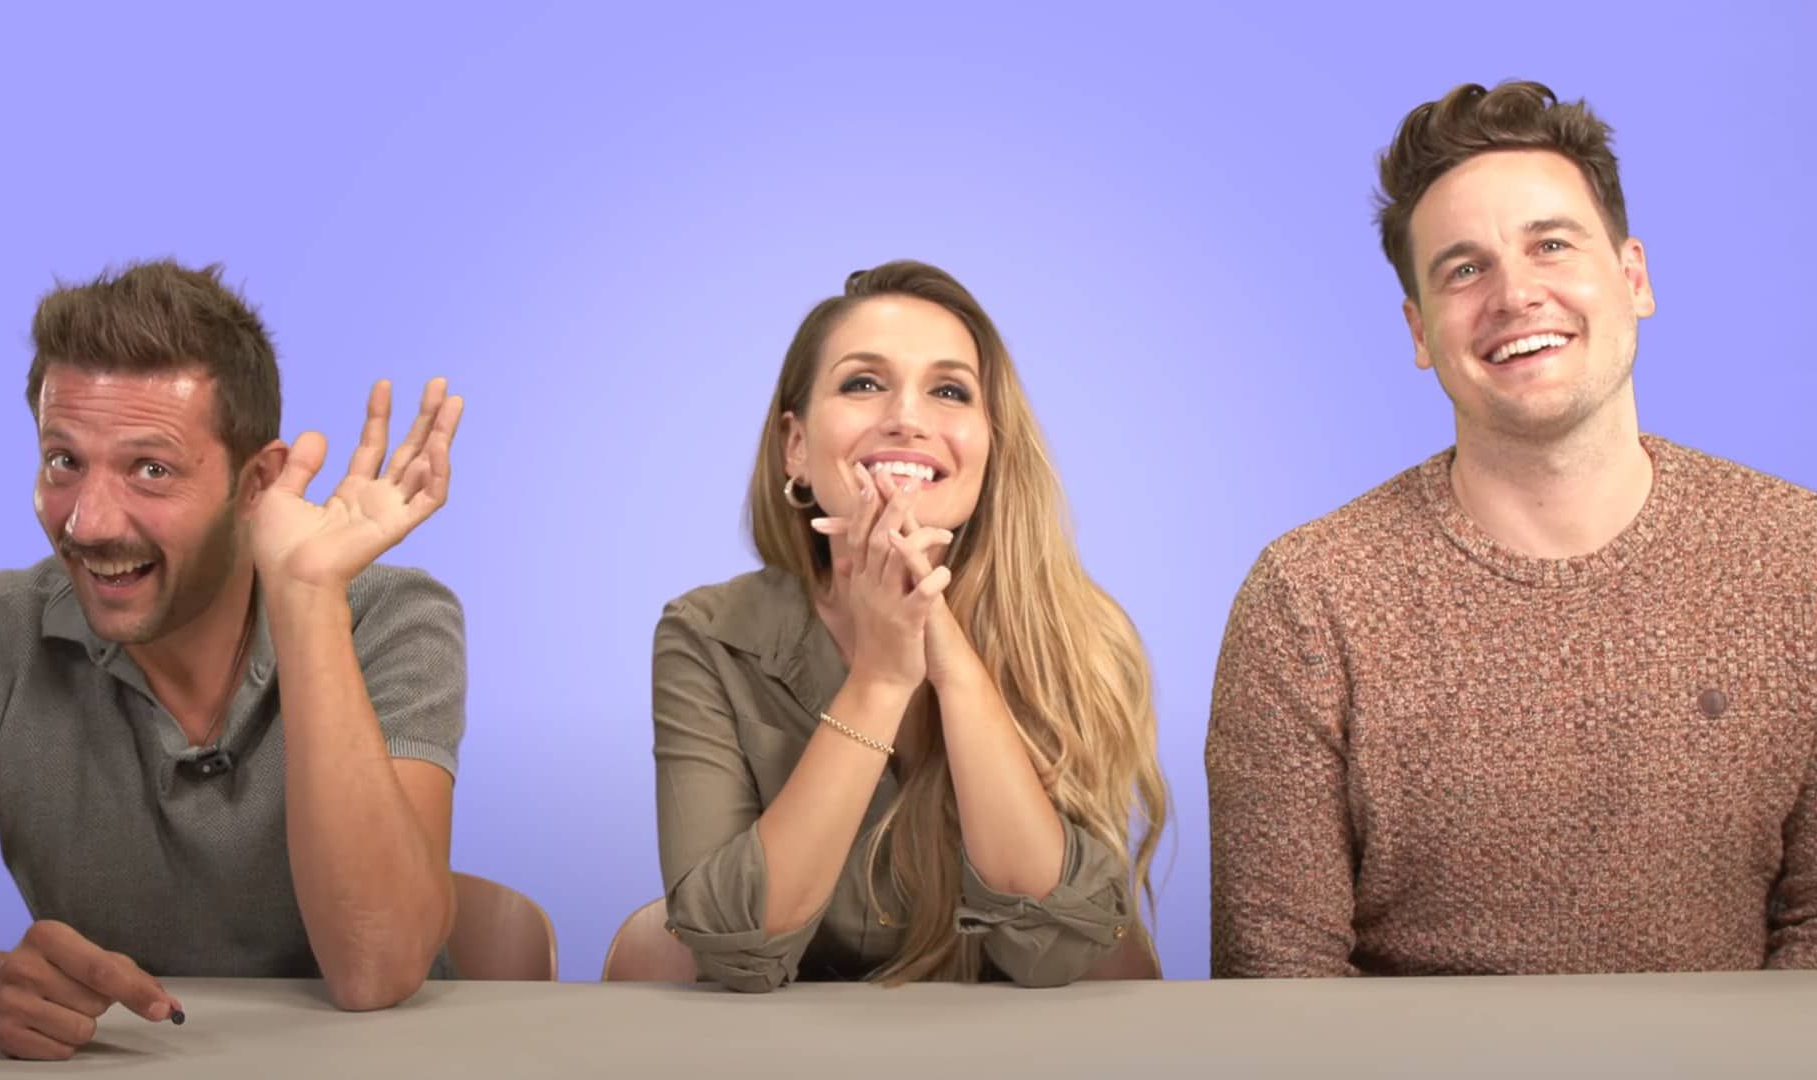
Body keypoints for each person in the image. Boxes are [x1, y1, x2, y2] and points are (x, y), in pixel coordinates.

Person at [1206, 81, 1817, 977]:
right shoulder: (1310, 598)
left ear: (1634, 277)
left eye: (1552, 245)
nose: (1515, 294)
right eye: (1464, 269)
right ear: (1421, 331)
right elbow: (1279, 979)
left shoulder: (1794, 555)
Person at [0, 260, 469, 1058]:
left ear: (257, 481)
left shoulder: (392, 616)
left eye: (150, 469)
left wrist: (306, 600)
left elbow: (374, 969)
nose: (89, 523)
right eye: (65, 461)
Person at [652, 260, 1168, 992]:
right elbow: (733, 949)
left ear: (989, 447)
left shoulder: (1084, 639)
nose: (908, 418)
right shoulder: (706, 635)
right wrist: (883, 678)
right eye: (863, 383)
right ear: (794, 445)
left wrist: (942, 649)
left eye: (950, 391)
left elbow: (1051, 947)